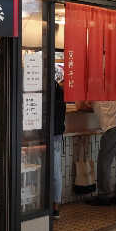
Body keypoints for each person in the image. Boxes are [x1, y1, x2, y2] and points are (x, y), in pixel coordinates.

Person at [87, 100, 116, 206]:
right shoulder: (112, 89)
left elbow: (81, 105)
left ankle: (104, 195)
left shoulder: (94, 91)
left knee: (104, 160)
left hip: (112, 125)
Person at [51, 79, 65, 219]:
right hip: (57, 134)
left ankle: (54, 206)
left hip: (50, 135)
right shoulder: (60, 91)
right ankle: (55, 206)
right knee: (56, 172)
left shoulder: (51, 90)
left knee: (54, 172)